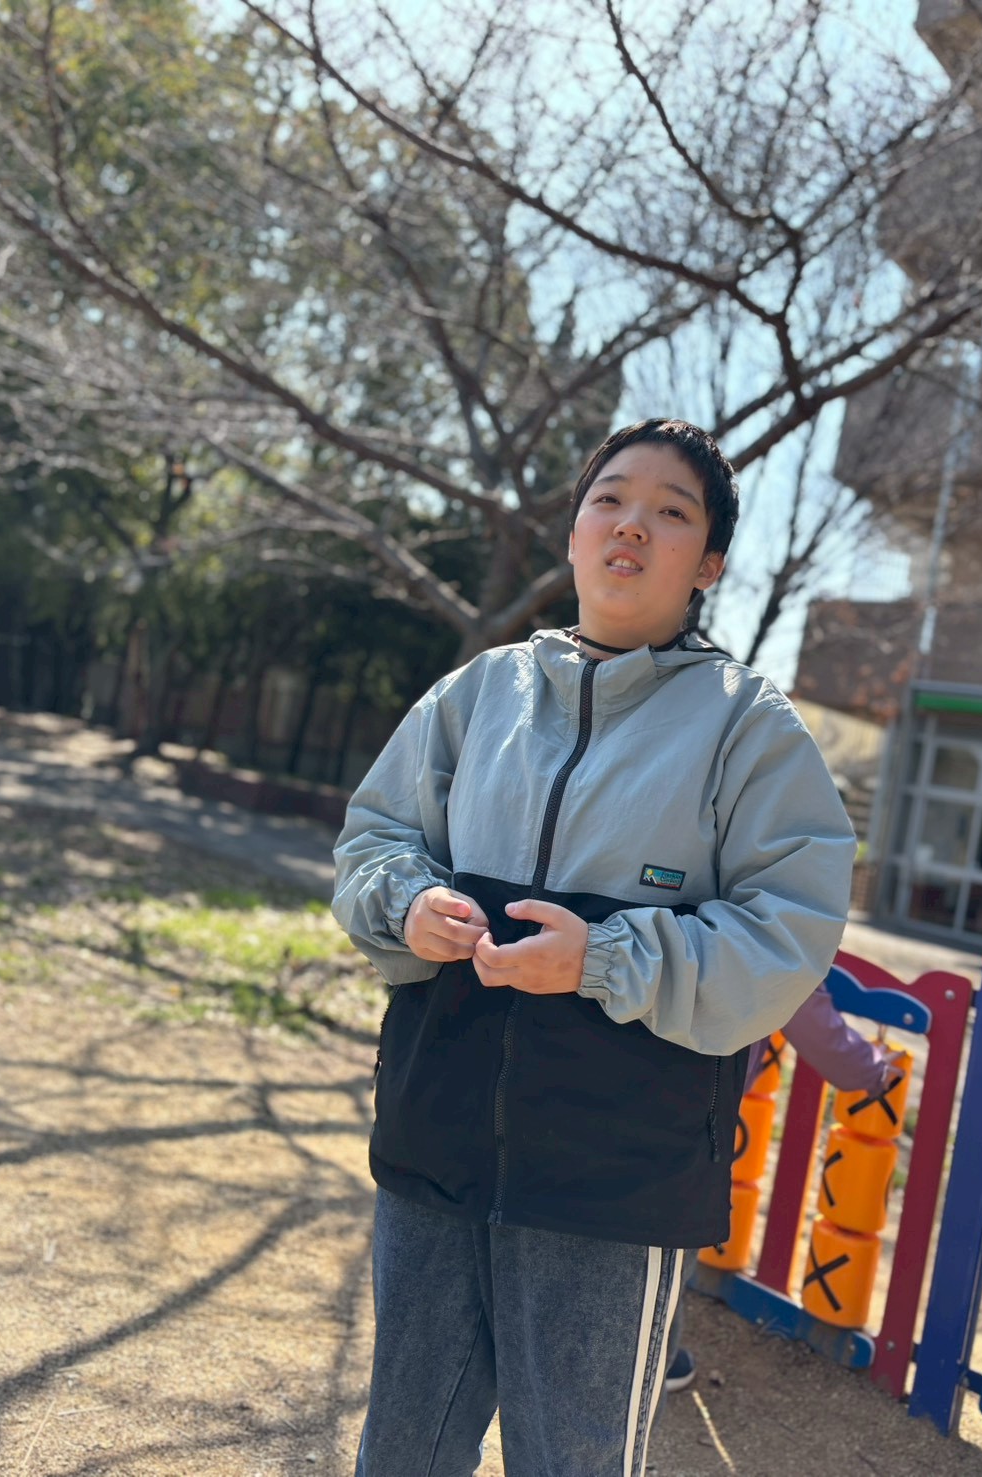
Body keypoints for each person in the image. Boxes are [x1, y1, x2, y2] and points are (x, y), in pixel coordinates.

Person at [332, 417, 856, 1476]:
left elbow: (787, 931)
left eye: (671, 512)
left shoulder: (748, 726)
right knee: (401, 1449)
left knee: (573, 1458)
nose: (631, 526)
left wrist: (606, 958)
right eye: (608, 499)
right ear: (572, 532)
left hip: (615, 1183)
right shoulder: (478, 692)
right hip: (435, 1144)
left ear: (709, 564)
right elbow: (374, 837)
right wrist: (408, 902)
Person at [663, 982, 906, 1393]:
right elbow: (813, 1020)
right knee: (666, 1244)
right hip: (697, 1109)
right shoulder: (778, 950)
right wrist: (872, 1069)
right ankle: (656, 1358)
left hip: (639, 1081)